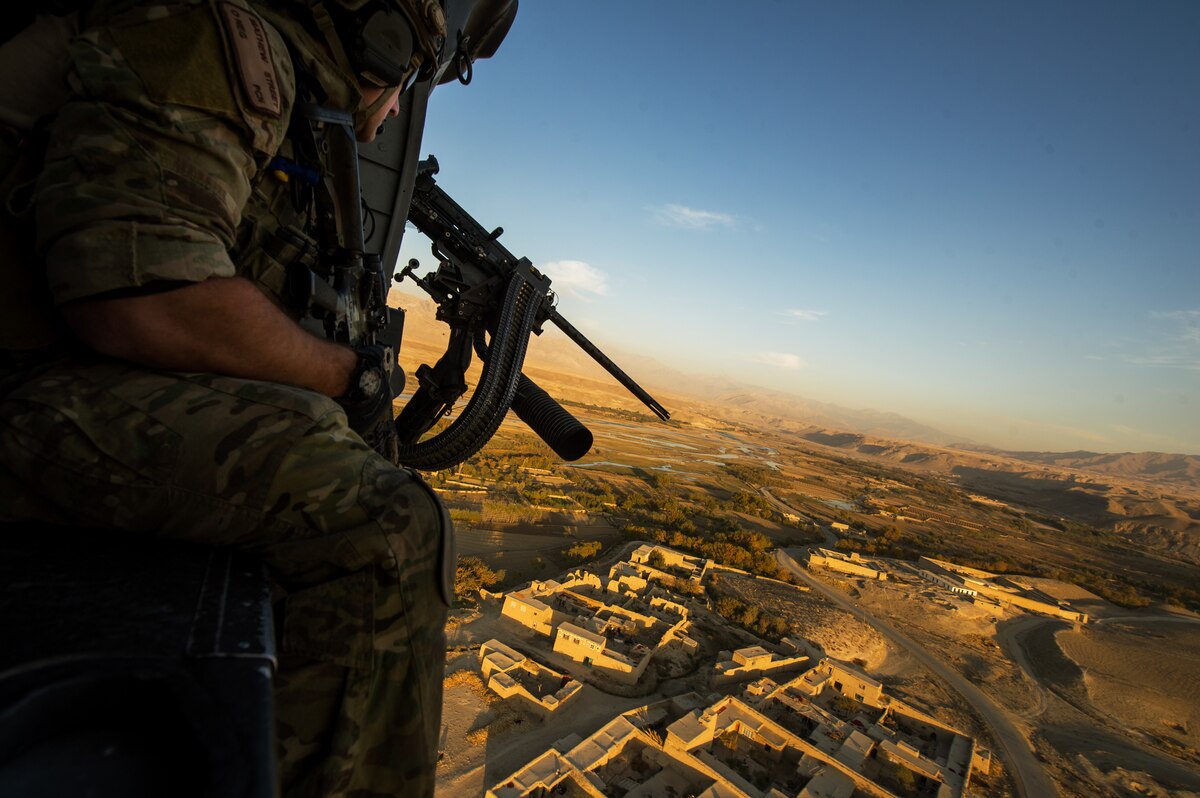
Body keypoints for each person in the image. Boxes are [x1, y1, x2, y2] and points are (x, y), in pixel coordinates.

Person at [0, 1, 470, 795]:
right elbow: (141, 292)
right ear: (383, 47)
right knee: (387, 530)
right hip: (24, 382)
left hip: (56, 378)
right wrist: (346, 374)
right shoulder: (228, 40)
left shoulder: (285, 105)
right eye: (408, 79)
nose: (393, 113)